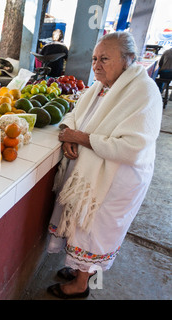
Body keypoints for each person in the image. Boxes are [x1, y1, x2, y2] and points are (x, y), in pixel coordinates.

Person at [46, 31, 162, 299]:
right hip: (92, 172)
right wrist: (68, 134)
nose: (96, 65)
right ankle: (79, 270)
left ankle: (80, 285)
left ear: (128, 60)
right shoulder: (101, 87)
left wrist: (81, 138)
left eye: (105, 59)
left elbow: (132, 147)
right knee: (81, 225)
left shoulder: (144, 92)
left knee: (94, 229)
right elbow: (75, 114)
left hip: (116, 179)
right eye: (95, 58)